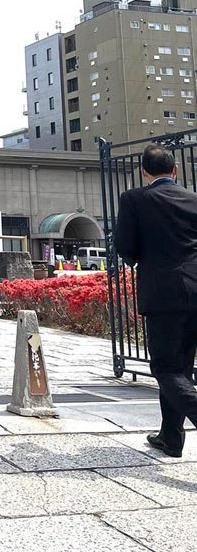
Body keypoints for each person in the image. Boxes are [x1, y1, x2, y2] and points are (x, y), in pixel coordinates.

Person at [115, 144, 197, 457]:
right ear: (175, 170)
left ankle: (174, 434)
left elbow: (125, 246)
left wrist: (138, 257)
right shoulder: (194, 199)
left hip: (164, 294)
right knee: (182, 369)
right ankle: (170, 437)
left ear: (144, 172)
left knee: (165, 368)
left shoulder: (135, 198)